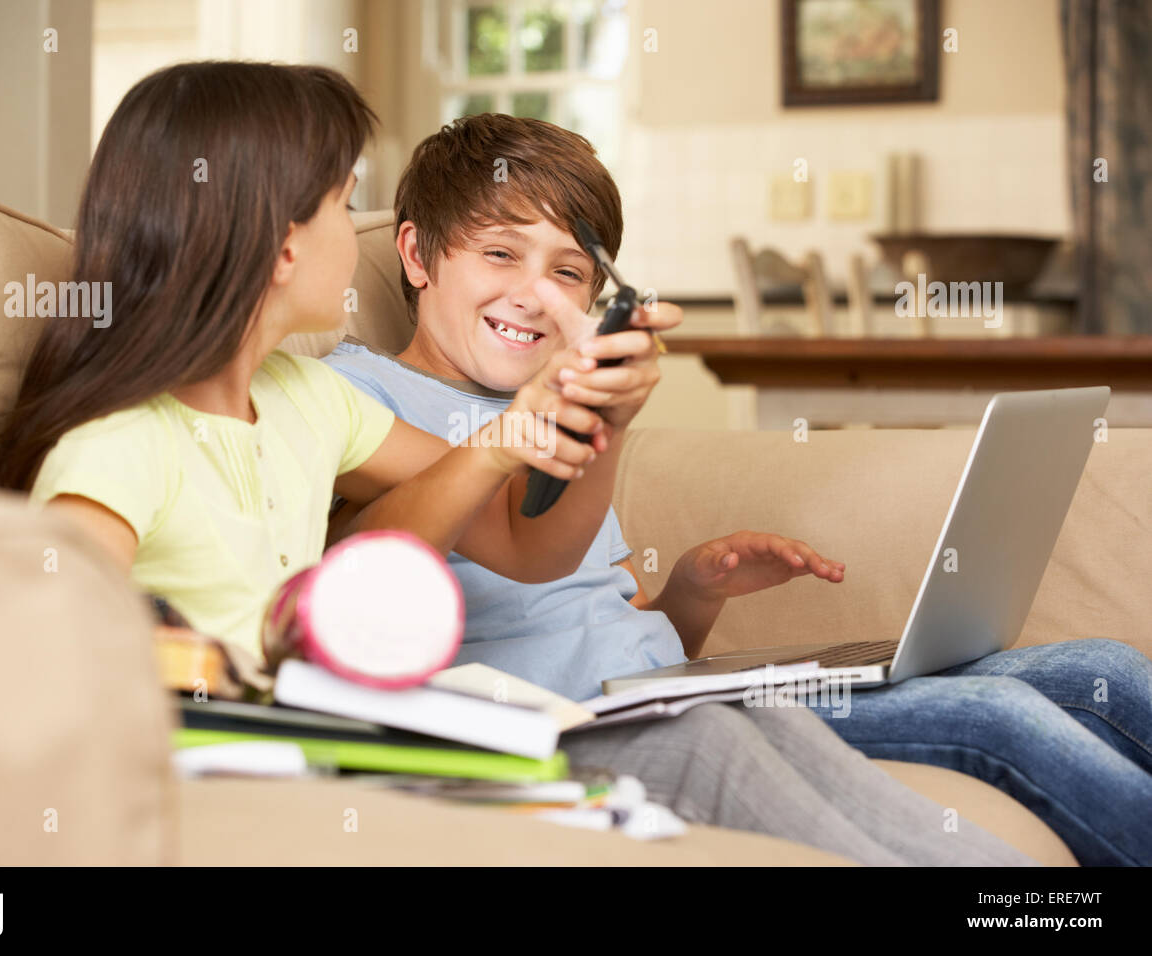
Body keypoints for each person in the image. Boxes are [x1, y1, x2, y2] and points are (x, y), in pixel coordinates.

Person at [323, 111, 1152, 866]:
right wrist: (576, 419)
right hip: (593, 717)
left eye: (569, 271)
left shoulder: (553, 399)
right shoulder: (364, 398)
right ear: (416, 255)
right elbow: (459, 545)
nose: (535, 293)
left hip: (663, 686)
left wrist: (687, 592)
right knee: (1003, 722)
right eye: (500, 253)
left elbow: (611, 625)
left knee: (1101, 666)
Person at [0, 62, 675, 664]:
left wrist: (596, 409)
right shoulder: (116, 452)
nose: (358, 230)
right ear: (284, 249)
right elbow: (56, 678)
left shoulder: (312, 400)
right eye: (343, 202)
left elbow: (530, 553)